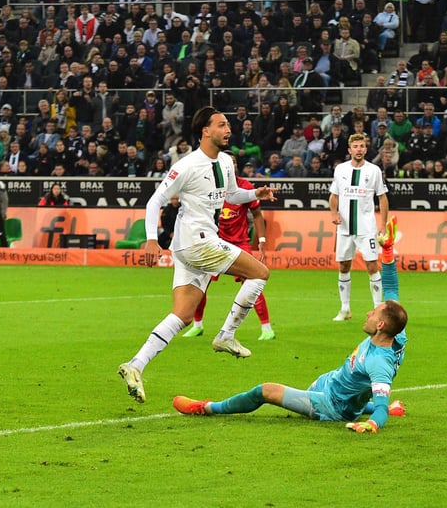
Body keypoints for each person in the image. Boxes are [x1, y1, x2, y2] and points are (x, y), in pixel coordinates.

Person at [173, 216, 407, 434]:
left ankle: (206, 407)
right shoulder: (397, 332)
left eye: (373, 313)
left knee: (265, 390)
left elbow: (380, 406)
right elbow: (392, 288)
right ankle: (365, 406)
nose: (368, 312)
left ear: (381, 325)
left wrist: (373, 424)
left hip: (331, 405)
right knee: (344, 391)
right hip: (330, 384)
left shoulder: (379, 364)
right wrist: (386, 251)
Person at [118, 107, 278, 404]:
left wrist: (256, 194)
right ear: (205, 130)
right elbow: (156, 201)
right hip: (198, 242)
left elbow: (231, 196)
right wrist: (151, 240)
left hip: (190, 247)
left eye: (228, 124)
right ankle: (226, 335)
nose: (228, 129)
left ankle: (135, 365)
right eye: (221, 124)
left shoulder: (226, 163)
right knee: (260, 273)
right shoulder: (187, 165)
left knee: (182, 315)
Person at [184, 161, 275, 341]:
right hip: (215, 242)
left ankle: (266, 328)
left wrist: (262, 240)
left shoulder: (244, 187)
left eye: (233, 163)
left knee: (253, 281)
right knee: (200, 283)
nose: (230, 166)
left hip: (240, 243)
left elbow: (257, 214)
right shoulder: (210, 185)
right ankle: (197, 325)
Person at [329, 133, 389, 322]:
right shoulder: (340, 170)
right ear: (349, 150)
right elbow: (333, 195)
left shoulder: (374, 171)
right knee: (344, 266)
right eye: (355, 146)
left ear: (366, 149)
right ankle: (345, 308)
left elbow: (383, 197)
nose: (359, 149)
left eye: (362, 146)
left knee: (372, 266)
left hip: (366, 228)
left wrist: (383, 224)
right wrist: (334, 213)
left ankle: (378, 308)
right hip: (345, 228)